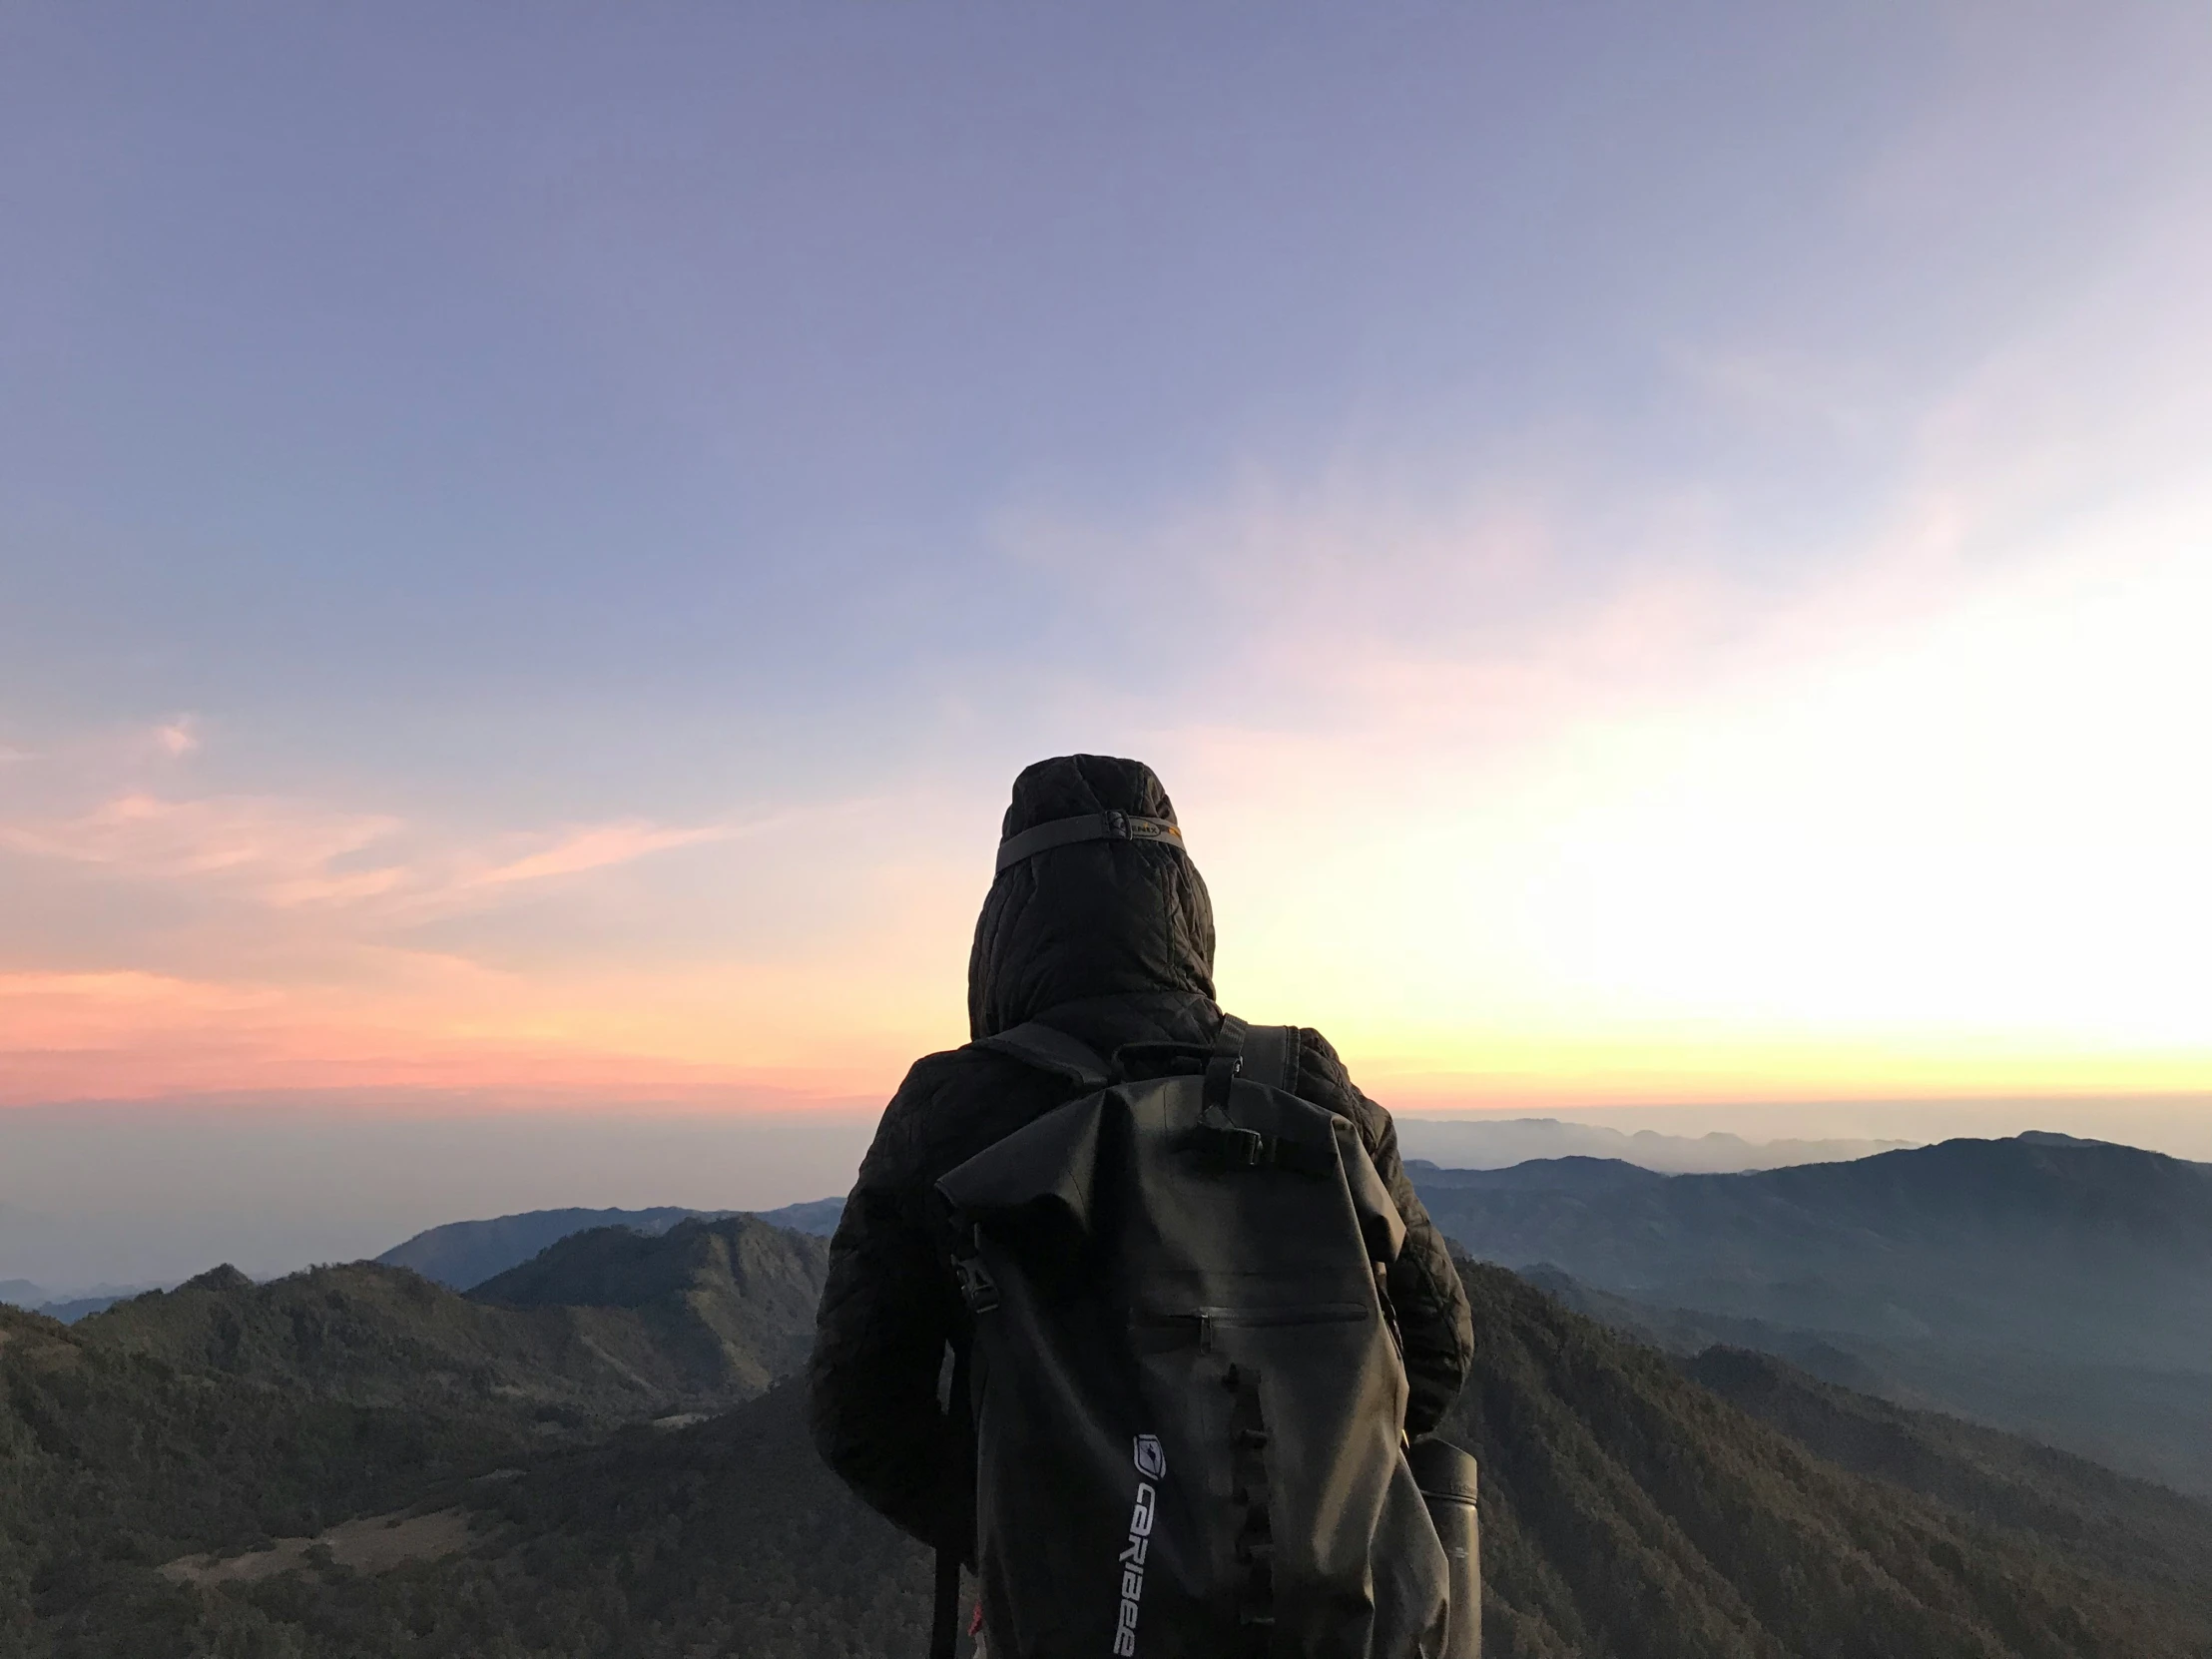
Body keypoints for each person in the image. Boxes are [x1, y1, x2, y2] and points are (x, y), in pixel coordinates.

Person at [810, 753, 1475, 1647]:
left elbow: (860, 1410)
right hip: (1329, 1623)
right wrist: (1302, 1490)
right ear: (1186, 907)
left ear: (1006, 923)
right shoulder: (1309, 1086)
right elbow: (1437, 1348)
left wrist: (1036, 1536)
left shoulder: (954, 1108)